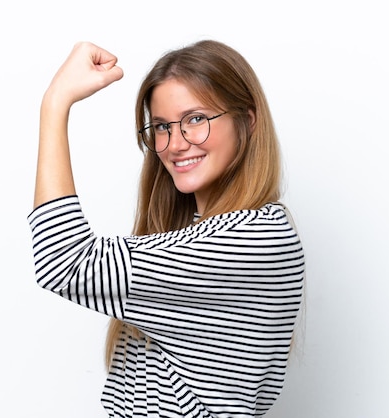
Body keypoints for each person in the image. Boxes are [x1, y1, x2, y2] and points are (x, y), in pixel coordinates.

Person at [28, 40, 305, 418]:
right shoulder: (193, 233)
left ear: (248, 119)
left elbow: (65, 262)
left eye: (195, 119)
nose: (175, 144)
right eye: (161, 126)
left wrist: (55, 103)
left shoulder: (256, 237)